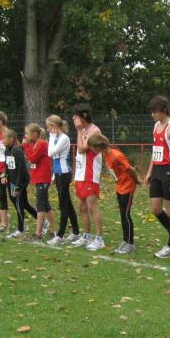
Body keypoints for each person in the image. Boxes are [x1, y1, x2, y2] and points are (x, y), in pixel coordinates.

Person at [144, 95, 170, 258]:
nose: (152, 115)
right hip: (157, 171)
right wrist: (149, 171)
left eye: (154, 111)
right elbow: (156, 150)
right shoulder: (156, 126)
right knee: (155, 209)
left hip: (168, 170)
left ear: (163, 110)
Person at [88, 132, 139, 254]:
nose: (91, 150)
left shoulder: (116, 156)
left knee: (126, 214)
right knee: (122, 214)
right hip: (119, 186)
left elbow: (130, 169)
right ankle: (125, 240)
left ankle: (130, 243)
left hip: (127, 187)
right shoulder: (105, 154)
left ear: (98, 147)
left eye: (92, 148)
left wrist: (137, 180)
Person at [70, 104, 104, 250]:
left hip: (90, 174)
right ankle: (87, 235)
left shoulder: (94, 130)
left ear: (83, 116)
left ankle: (100, 238)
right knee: (82, 207)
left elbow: (81, 149)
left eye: (75, 117)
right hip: (80, 174)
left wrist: (79, 131)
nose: (73, 120)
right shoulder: (83, 131)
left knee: (91, 206)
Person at [45, 115, 80, 245]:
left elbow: (50, 153)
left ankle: (60, 235)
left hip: (64, 173)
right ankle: (76, 232)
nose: (48, 130)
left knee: (63, 204)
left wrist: (52, 137)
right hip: (58, 173)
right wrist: (54, 176)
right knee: (67, 203)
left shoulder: (64, 138)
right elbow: (54, 158)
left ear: (54, 126)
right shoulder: (56, 138)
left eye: (49, 127)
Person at [23, 123, 57, 241]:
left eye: (27, 133)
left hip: (43, 177)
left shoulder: (42, 144)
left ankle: (38, 233)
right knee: (46, 205)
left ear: (34, 134)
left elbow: (32, 158)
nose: (25, 136)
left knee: (40, 205)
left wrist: (26, 146)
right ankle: (53, 229)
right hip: (38, 177)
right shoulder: (34, 144)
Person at [3, 128, 36, 238]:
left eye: (4, 138)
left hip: (21, 180)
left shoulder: (17, 151)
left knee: (18, 203)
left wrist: (17, 186)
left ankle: (21, 229)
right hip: (12, 180)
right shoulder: (7, 150)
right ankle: (40, 218)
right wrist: (4, 175)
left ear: (12, 139)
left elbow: (21, 170)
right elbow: (7, 165)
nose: (2, 140)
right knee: (23, 203)